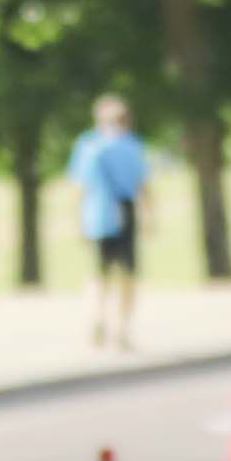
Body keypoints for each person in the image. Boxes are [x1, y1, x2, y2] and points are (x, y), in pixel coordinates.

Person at [67, 94, 147, 351]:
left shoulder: (89, 145)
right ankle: (122, 328)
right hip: (125, 211)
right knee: (128, 274)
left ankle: (97, 316)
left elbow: (79, 186)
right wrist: (151, 216)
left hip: (98, 214)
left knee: (98, 273)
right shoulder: (132, 145)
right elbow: (142, 184)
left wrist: (77, 219)